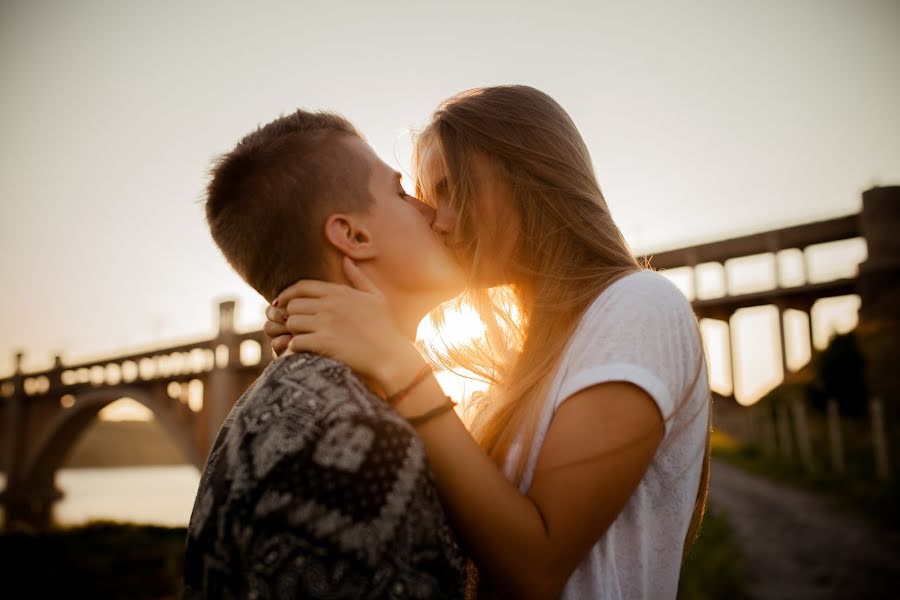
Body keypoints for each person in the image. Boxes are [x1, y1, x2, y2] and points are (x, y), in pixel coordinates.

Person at [265, 85, 712, 599]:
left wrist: (399, 364)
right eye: (430, 199)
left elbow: (537, 568)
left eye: (453, 190)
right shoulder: (526, 359)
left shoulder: (639, 305)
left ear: (529, 175)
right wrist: (334, 334)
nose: (440, 220)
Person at [183, 109, 470, 599]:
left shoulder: (269, 411)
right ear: (353, 236)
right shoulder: (358, 441)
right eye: (401, 194)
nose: (430, 212)